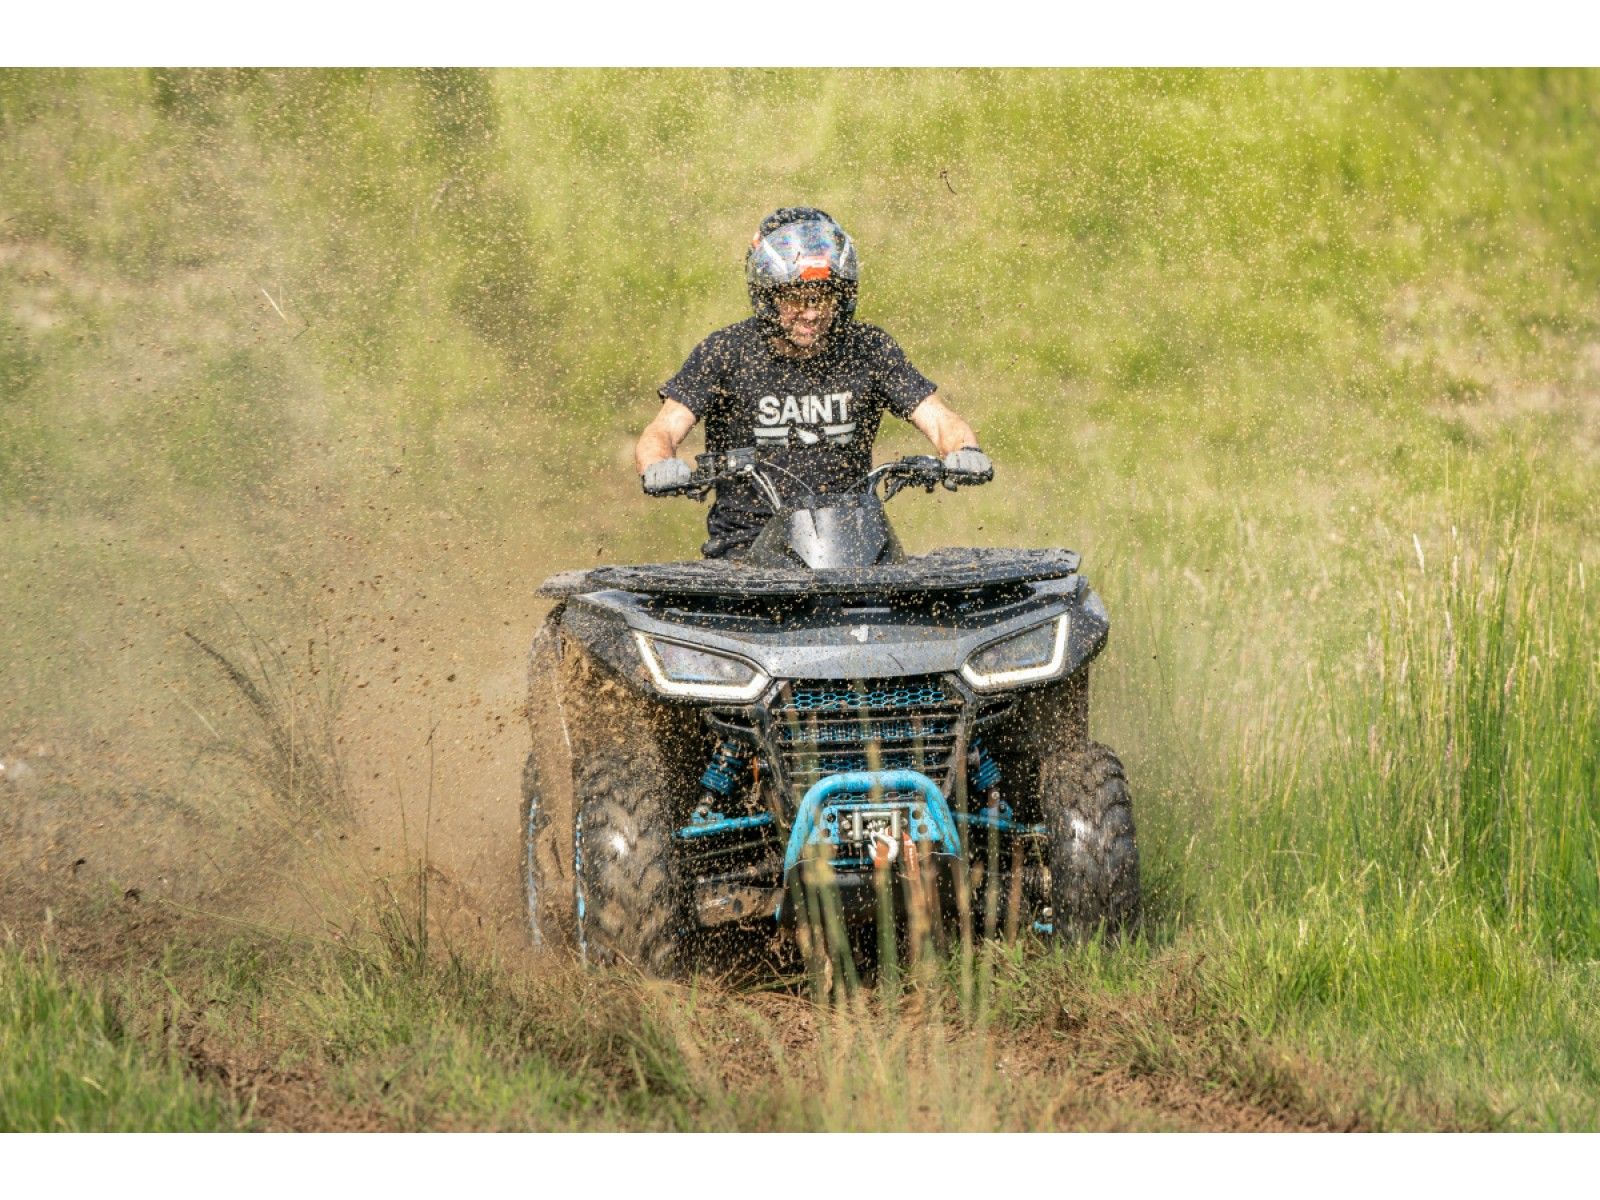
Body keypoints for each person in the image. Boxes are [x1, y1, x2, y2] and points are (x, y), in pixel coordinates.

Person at [634, 206, 992, 559]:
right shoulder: (726, 352)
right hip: (747, 554)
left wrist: (964, 452)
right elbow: (662, 431)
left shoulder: (868, 349)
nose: (812, 313)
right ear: (767, 297)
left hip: (852, 548)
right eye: (795, 299)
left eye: (824, 297)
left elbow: (940, 421)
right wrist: (659, 466)